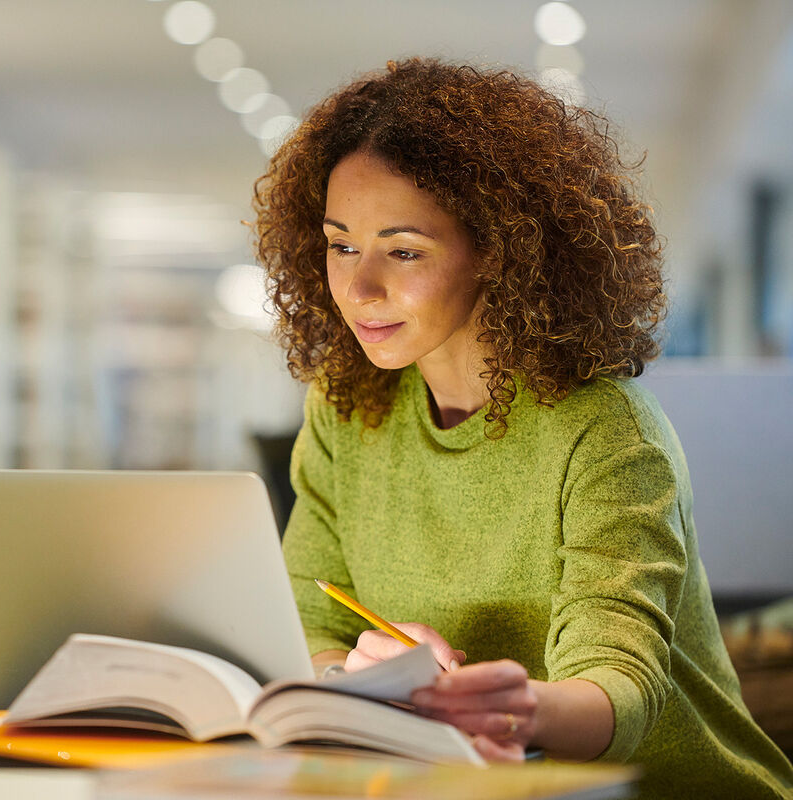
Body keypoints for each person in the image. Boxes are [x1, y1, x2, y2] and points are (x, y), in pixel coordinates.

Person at [252, 57, 793, 798]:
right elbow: (307, 617)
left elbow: (623, 687)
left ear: (503, 253)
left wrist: (519, 710)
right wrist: (352, 675)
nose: (359, 286)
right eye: (341, 244)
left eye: (403, 251)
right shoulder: (345, 407)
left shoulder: (607, 433)